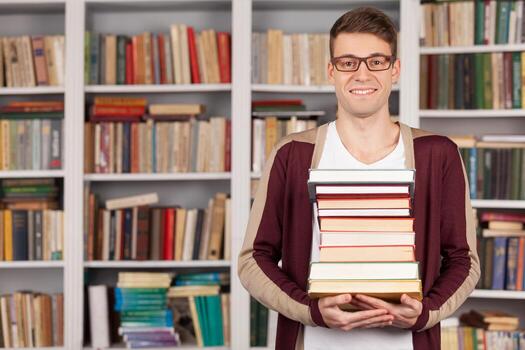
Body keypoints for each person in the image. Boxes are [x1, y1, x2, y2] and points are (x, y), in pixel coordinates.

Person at [238, 7, 480, 350]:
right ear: (331, 71)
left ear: (395, 69)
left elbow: (463, 260)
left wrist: (425, 313)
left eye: (376, 61)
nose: (362, 74)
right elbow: (253, 260)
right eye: (348, 62)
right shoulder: (292, 154)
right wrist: (312, 311)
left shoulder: (437, 154)